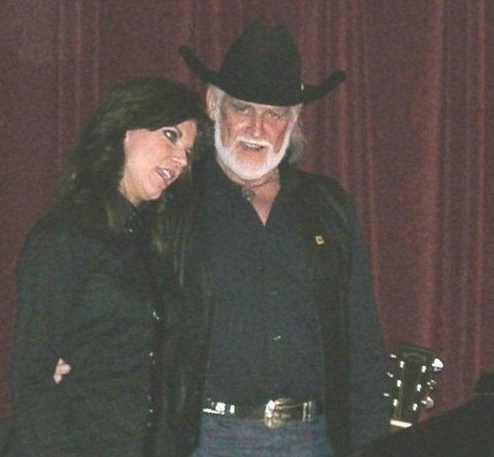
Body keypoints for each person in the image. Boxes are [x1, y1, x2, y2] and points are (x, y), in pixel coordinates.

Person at [157, 22, 391, 457]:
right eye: (243, 109)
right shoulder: (175, 205)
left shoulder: (329, 207)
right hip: (205, 440)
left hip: (315, 438)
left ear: (294, 121)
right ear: (213, 105)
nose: (257, 128)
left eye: (275, 114)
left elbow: (362, 343)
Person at [0, 78, 208, 457]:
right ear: (125, 129)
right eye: (170, 136)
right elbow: (32, 380)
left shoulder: (152, 244)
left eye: (188, 151)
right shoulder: (65, 236)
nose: (180, 160)